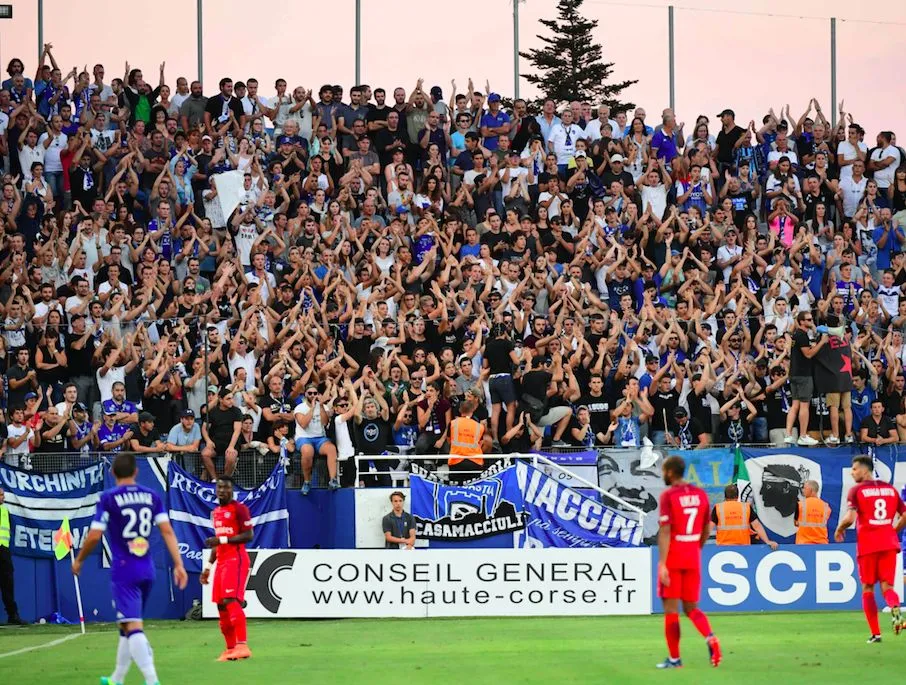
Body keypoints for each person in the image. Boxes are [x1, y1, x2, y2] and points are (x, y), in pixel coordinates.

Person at [72, 453, 188, 685]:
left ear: (112, 472)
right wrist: (179, 564)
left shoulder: (109, 497)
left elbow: (94, 535)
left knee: (133, 625)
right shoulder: (151, 496)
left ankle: (152, 679)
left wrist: (80, 559)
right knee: (127, 623)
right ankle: (117, 677)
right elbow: (167, 531)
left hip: (124, 569)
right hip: (147, 567)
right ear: (136, 472)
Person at [656, 455, 721, 670]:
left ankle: (675, 659)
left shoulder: (668, 496)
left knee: (671, 610)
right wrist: (696, 548)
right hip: (693, 554)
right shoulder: (700, 494)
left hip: (674, 555)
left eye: (664, 470)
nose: (663, 474)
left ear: (670, 472)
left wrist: (662, 563)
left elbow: (665, 531)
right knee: (692, 608)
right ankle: (710, 637)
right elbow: (706, 529)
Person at [834, 455, 906, 642]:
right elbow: (904, 515)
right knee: (887, 587)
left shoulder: (856, 490)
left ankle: (876, 633)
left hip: (868, 545)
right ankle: (895, 607)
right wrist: (892, 531)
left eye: (855, 469)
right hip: (889, 543)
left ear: (865, 470)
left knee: (867, 588)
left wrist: (839, 529)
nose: (852, 473)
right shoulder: (890, 489)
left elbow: (850, 518)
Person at [200, 476, 254, 661]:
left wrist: (222, 540)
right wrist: (208, 567)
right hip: (222, 562)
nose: (222, 491)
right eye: (220, 487)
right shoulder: (216, 512)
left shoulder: (239, 509)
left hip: (236, 559)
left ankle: (242, 646)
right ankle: (230, 650)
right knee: (221, 606)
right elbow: (218, 542)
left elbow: (249, 535)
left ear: (232, 490)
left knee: (231, 600)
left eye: (226, 488)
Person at [783, 312, 825, 446]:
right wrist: (822, 343)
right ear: (801, 321)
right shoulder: (802, 335)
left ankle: (788, 434)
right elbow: (808, 354)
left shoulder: (796, 335)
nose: (811, 321)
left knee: (795, 404)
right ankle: (802, 435)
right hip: (803, 375)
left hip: (794, 373)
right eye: (808, 319)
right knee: (804, 405)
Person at [711, 484, 778, 549]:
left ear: (725, 496)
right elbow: (757, 526)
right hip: (743, 547)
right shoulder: (746, 507)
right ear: (737, 496)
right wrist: (767, 541)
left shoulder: (718, 508)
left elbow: (709, 527)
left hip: (723, 548)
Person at [0, 487, 25, 625]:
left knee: (8, 584)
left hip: (4, 551)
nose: (3, 497)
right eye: (1, 495)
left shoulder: (5, 511)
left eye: (3, 495)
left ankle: (12, 615)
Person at [448, 397, 486, 483]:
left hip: (456, 461)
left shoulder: (453, 423)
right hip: (475, 462)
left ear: (460, 410)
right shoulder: (479, 427)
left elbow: (449, 440)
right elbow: (481, 443)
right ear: (473, 410)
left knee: (456, 488)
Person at [794, 479, 831, 544]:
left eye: (805, 488)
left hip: (804, 543)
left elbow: (796, 523)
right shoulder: (826, 506)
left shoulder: (800, 505)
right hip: (822, 543)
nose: (803, 490)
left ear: (811, 490)